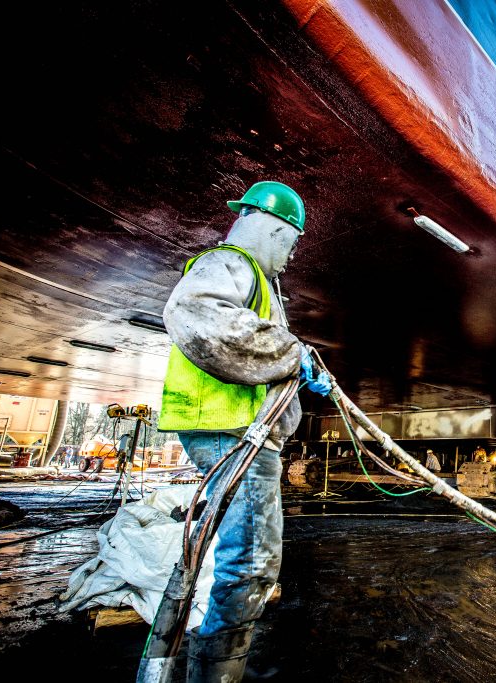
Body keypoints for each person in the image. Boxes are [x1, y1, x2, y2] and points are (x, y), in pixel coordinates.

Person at [158, 180, 332, 681]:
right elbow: (195, 315)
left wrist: (295, 361)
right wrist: (293, 353)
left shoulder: (251, 278)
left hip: (234, 433)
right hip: (234, 433)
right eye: (292, 243)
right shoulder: (232, 263)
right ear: (274, 230)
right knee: (251, 564)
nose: (292, 256)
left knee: (243, 561)